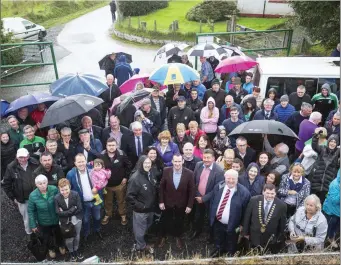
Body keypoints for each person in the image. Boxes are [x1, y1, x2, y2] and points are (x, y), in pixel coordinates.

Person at [209, 169, 251, 257]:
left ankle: (230, 254)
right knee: (218, 238)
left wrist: (242, 224)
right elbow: (212, 202)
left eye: (233, 179)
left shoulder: (244, 193)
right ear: (224, 178)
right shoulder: (219, 186)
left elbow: (246, 211)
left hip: (233, 224)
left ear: (237, 179)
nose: (231, 181)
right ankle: (218, 250)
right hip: (218, 222)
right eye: (228, 178)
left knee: (231, 241)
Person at [158, 154, 195, 249]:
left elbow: (192, 191)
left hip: (181, 203)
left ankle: (178, 237)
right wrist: (161, 201)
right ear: (172, 161)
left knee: (179, 221)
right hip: (167, 202)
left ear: (183, 161)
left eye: (179, 161)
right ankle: (163, 236)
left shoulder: (189, 173)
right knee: (165, 220)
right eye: (175, 161)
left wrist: (190, 205)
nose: (177, 163)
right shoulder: (166, 171)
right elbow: (161, 187)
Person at [2, 148, 39, 237]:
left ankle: (39, 231)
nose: (23, 159)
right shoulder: (11, 167)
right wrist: (13, 197)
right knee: (27, 218)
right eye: (20, 157)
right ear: (16, 157)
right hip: (23, 199)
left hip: (37, 196)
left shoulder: (35, 163)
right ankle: (30, 234)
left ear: (28, 156)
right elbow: (6, 184)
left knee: (38, 214)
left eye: (25, 157)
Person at [66, 153, 103, 241]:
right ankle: (86, 233)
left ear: (86, 161)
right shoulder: (70, 174)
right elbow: (69, 189)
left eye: (83, 161)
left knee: (97, 217)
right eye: (79, 162)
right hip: (83, 202)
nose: (81, 164)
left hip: (95, 200)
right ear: (75, 163)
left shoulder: (93, 170)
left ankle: (97, 230)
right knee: (85, 220)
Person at [28, 175, 66, 259]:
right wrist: (33, 225)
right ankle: (51, 249)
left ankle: (61, 245)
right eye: (40, 184)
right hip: (43, 221)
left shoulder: (54, 189)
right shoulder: (32, 195)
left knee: (58, 234)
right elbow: (31, 211)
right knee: (46, 236)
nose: (42, 185)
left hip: (56, 219)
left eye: (44, 183)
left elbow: (60, 200)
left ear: (47, 182)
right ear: (36, 185)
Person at [190, 149, 224, 240]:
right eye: (204, 157)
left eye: (208, 158)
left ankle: (211, 236)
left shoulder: (219, 171)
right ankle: (197, 231)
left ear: (213, 158)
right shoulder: (199, 165)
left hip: (211, 199)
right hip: (198, 197)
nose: (206, 160)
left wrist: (204, 198)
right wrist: (198, 195)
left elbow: (217, 189)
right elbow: (194, 181)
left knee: (211, 218)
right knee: (198, 215)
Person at [242, 184, 287, 254]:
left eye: (272, 193)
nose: (269, 196)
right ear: (263, 192)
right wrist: (245, 232)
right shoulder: (254, 200)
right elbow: (247, 217)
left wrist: (278, 238)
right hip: (254, 235)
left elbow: (282, 224)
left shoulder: (281, 205)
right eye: (267, 193)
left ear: (275, 193)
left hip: (270, 238)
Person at [126, 156, 157, 254]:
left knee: (147, 226)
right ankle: (141, 247)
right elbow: (129, 197)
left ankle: (143, 241)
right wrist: (141, 206)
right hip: (141, 211)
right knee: (139, 230)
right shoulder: (135, 178)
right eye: (145, 163)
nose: (147, 165)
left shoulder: (150, 173)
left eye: (149, 163)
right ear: (140, 164)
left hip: (150, 208)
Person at [101, 137, 132, 226]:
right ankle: (108, 214)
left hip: (120, 184)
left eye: (113, 145)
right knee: (108, 201)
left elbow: (128, 166)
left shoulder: (122, 154)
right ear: (106, 146)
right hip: (107, 185)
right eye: (109, 145)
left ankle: (123, 214)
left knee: (121, 200)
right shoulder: (102, 155)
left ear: (116, 146)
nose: (111, 147)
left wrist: (126, 177)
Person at [54, 178, 83, 261]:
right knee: (68, 238)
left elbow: (80, 208)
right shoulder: (56, 198)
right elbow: (58, 212)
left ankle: (76, 249)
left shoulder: (75, 194)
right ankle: (71, 252)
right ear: (59, 189)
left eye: (66, 189)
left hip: (76, 219)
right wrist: (73, 209)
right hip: (64, 222)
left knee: (77, 235)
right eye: (62, 190)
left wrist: (65, 212)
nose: (65, 192)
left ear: (69, 187)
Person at [310, 132, 340, 204]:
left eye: (334, 142)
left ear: (337, 144)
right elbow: (314, 146)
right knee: (312, 201)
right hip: (316, 180)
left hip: (327, 183)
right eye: (331, 141)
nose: (332, 143)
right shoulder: (322, 149)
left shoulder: (338, 152)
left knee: (321, 203)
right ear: (328, 141)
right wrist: (315, 137)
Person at [322, 169, 340, 249]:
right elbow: (335, 200)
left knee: (337, 226)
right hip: (332, 211)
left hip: (338, 211)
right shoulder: (335, 184)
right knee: (331, 225)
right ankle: (329, 238)